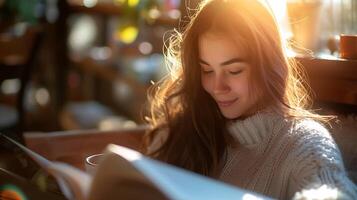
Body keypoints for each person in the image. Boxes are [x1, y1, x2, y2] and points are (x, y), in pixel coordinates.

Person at [143, 0, 357, 199]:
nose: (217, 87)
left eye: (234, 71)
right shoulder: (182, 127)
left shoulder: (303, 142)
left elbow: (332, 190)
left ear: (269, 65)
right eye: (206, 70)